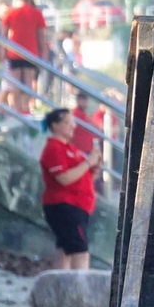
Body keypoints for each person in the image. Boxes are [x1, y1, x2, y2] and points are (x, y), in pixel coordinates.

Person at [39, 107, 101, 271]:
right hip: (65, 205)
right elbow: (63, 178)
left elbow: (81, 177)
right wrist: (88, 163)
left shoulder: (71, 149)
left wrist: (93, 167)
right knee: (80, 251)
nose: (72, 126)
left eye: (73, 123)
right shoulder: (54, 148)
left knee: (65, 250)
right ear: (55, 125)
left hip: (78, 205)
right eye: (67, 122)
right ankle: (80, 291)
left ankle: (61, 289)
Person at [1, 0, 48, 115]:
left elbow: (4, 34)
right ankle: (26, 108)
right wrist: (43, 54)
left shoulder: (11, 12)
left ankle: (16, 109)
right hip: (30, 53)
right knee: (28, 82)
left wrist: (3, 52)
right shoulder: (37, 14)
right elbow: (41, 37)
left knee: (15, 84)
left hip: (14, 52)